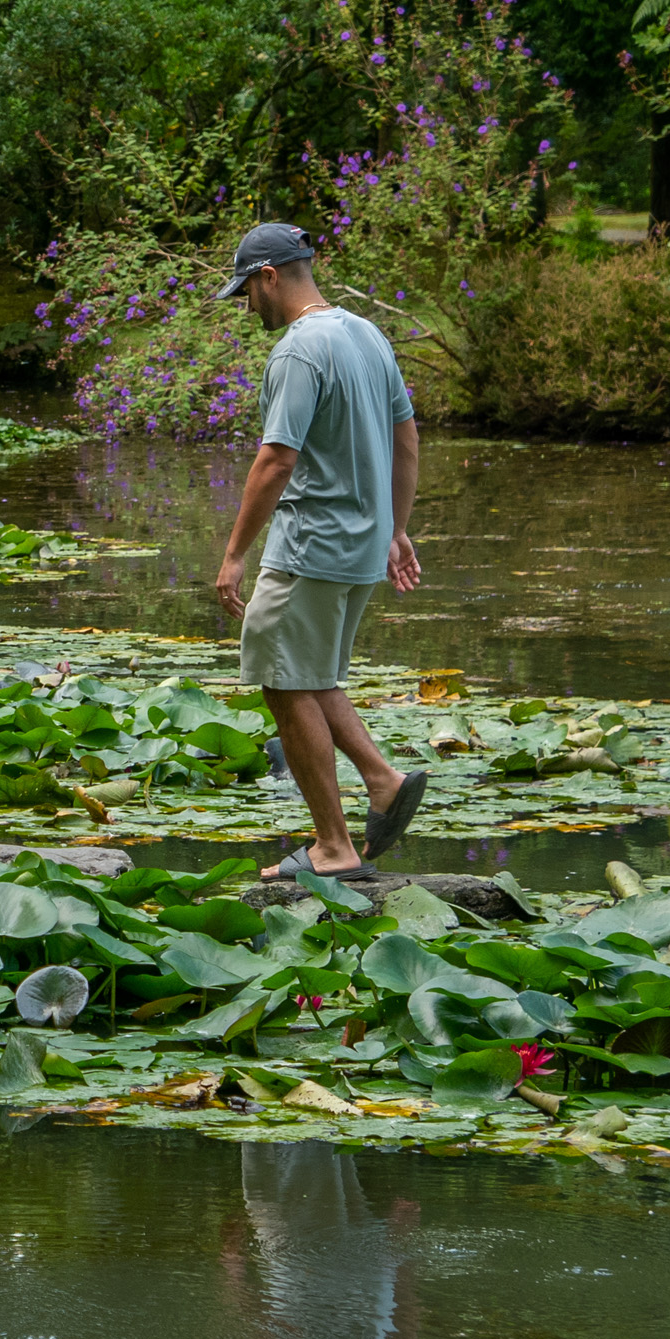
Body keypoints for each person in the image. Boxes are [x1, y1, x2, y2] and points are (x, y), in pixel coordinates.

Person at [210, 222, 427, 881]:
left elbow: (276, 459)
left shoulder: (300, 350)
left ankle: (334, 845)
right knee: (311, 676)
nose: (247, 306)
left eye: (246, 290)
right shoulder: (366, 334)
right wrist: (394, 528)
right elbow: (407, 438)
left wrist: (234, 554)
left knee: (280, 678)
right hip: (360, 546)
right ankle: (382, 779)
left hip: (311, 544)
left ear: (270, 275)